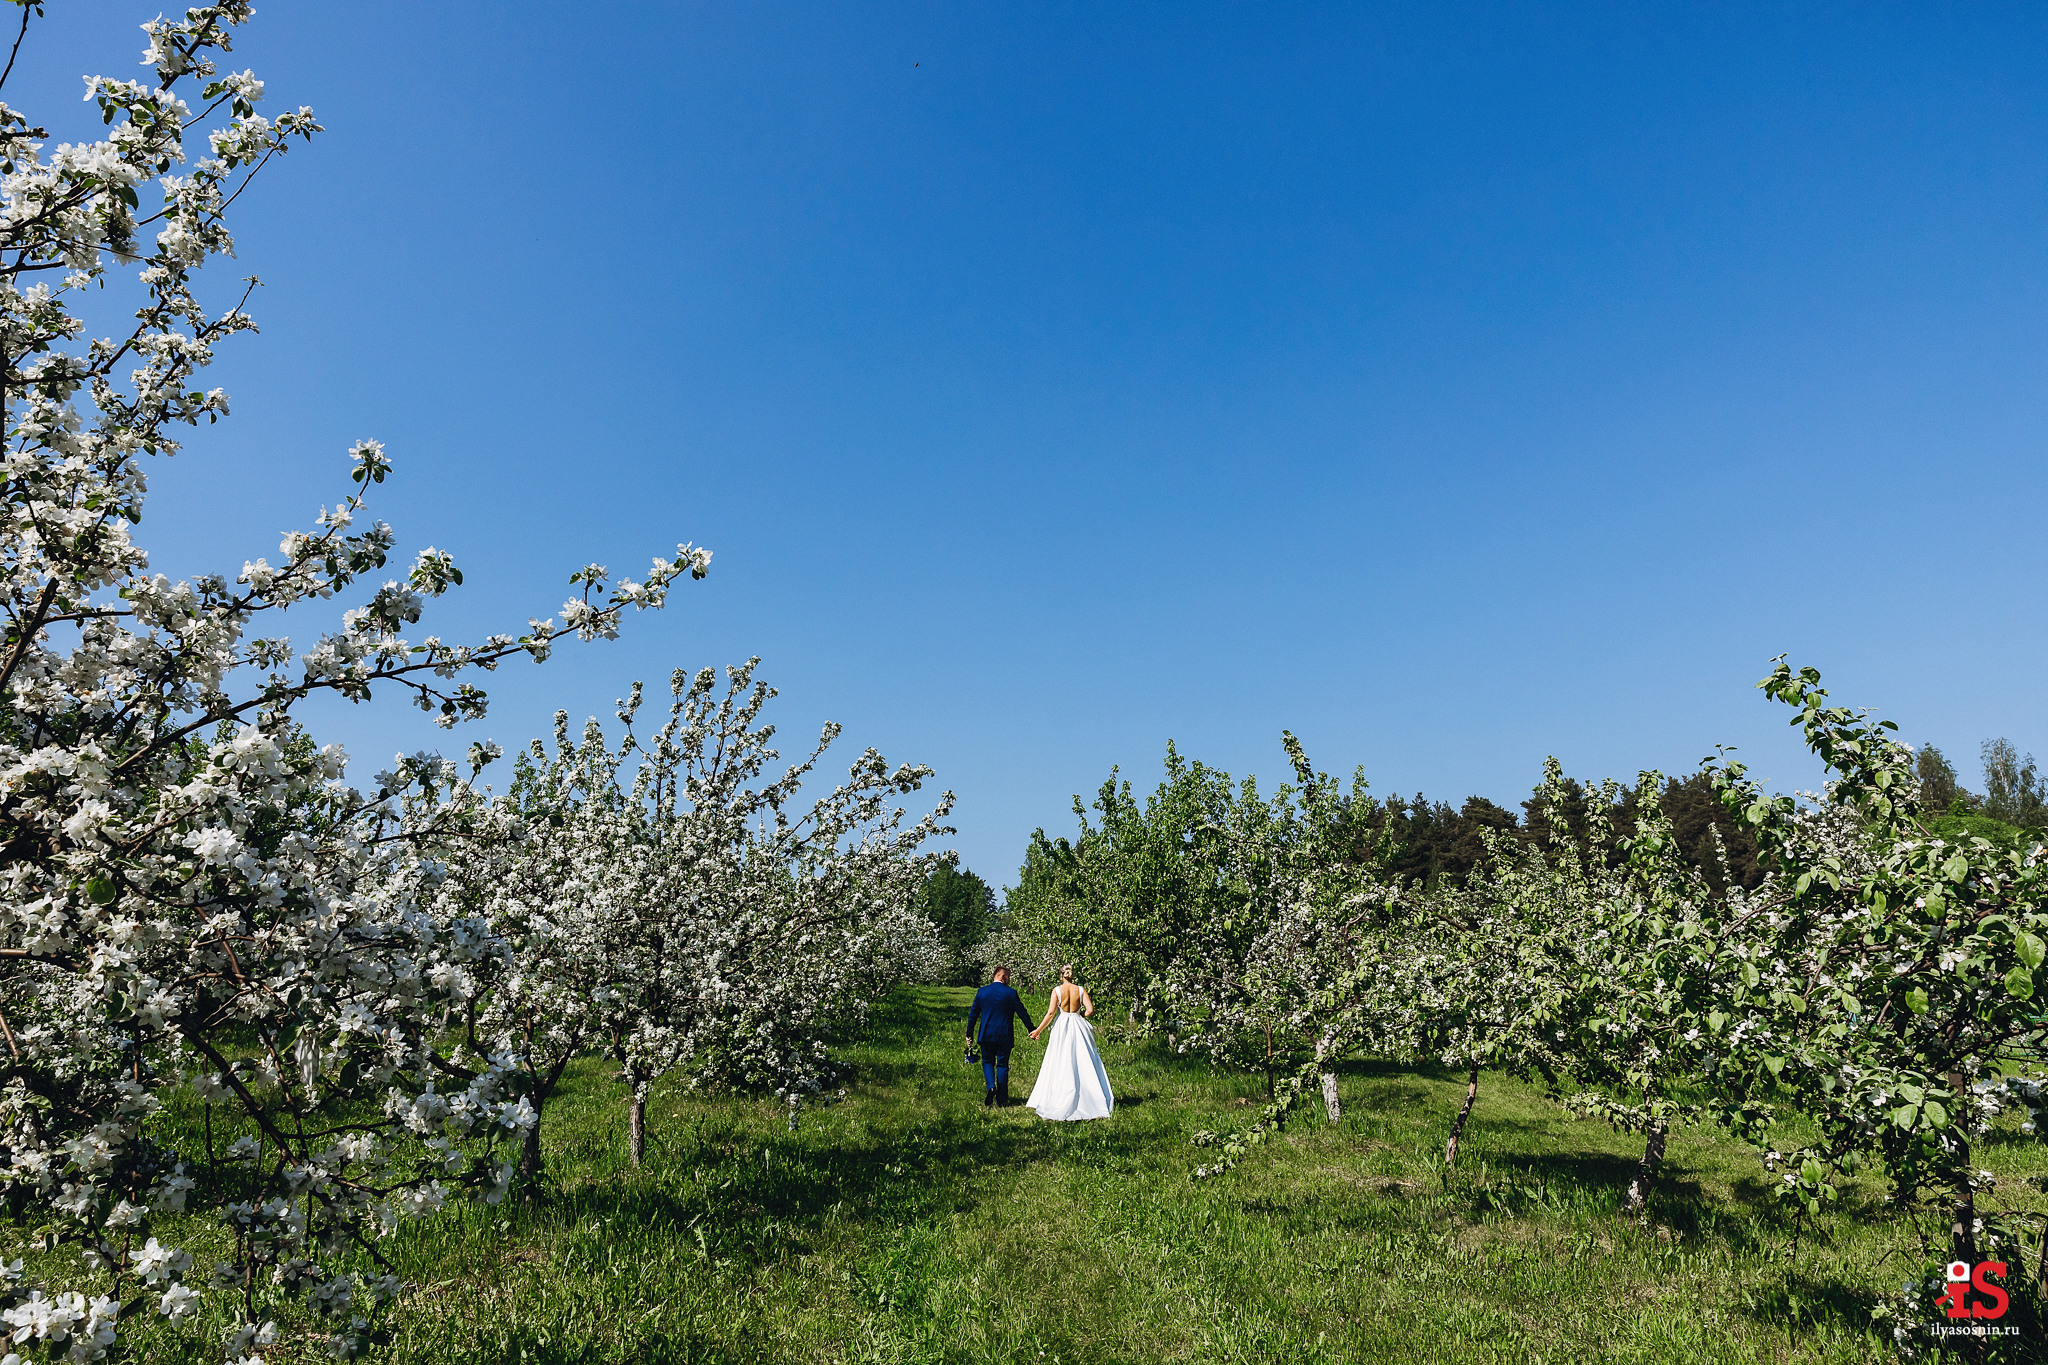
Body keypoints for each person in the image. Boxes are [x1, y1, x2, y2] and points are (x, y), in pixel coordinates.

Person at [1025, 965, 1114, 1121]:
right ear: (1071, 975)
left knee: (1061, 1059)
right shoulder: (1080, 990)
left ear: (1061, 975)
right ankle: (1090, 1097)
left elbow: (1051, 1013)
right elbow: (1090, 1010)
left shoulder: (1057, 991)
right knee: (1084, 1059)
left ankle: (1059, 1095)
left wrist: (1038, 1030)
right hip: (1078, 1024)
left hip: (1063, 1026)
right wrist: (1081, 1016)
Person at [966, 966, 1035, 1107]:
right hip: (1004, 1035)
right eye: (1008, 977)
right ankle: (1002, 1099)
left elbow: (973, 1015)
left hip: (986, 1034)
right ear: (1002, 976)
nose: (1009, 980)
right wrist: (1032, 1029)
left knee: (987, 1062)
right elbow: (1022, 1013)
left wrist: (969, 1034)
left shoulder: (982, 992)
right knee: (1002, 1065)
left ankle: (991, 1086)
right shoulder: (1011, 993)